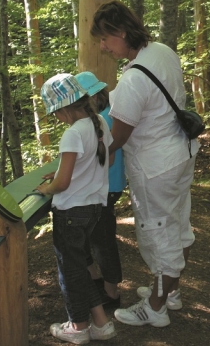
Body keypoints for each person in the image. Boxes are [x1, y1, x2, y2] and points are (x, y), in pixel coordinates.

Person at [90, 0, 199, 328]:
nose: (103, 46)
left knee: (159, 234)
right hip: (180, 153)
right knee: (178, 226)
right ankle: (171, 291)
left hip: (155, 169)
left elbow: (117, 137)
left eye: (105, 39)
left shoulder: (132, 80)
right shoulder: (162, 51)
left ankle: (155, 307)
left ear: (121, 33)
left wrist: (90, 158)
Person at [36, 73, 117, 344]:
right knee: (80, 267)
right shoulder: (100, 125)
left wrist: (46, 188)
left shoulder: (72, 133)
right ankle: (101, 323)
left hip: (70, 212)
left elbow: (63, 183)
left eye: (55, 112)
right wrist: (60, 174)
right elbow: (94, 164)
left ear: (64, 109)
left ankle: (78, 327)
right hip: (93, 208)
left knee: (70, 273)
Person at [74, 71, 125, 310]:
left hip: (106, 188)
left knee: (102, 240)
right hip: (102, 187)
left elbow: (108, 159)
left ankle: (111, 293)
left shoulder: (104, 119)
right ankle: (96, 278)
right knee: (89, 235)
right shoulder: (104, 117)